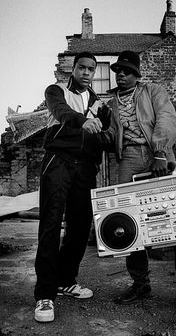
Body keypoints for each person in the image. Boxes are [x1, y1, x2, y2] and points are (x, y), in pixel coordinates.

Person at [106, 50, 176, 316]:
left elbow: (167, 117)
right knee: (129, 223)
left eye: (127, 71)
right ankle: (141, 285)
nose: (121, 74)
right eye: (118, 70)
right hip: (128, 158)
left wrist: (161, 152)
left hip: (158, 155)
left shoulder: (152, 90)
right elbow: (109, 134)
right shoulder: (112, 102)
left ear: (137, 74)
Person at [34, 51, 111, 322]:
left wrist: (104, 127)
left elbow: (106, 133)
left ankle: (65, 281)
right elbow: (62, 112)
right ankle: (44, 294)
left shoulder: (99, 102)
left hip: (85, 168)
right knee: (51, 224)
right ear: (74, 69)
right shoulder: (56, 91)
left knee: (80, 227)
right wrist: (84, 121)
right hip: (58, 161)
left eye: (92, 69)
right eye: (83, 67)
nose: (88, 72)